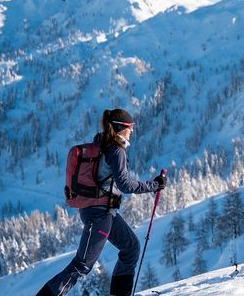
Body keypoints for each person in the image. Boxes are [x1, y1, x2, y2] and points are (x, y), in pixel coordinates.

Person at [37, 109, 167, 296]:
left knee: (131, 248)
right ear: (122, 128)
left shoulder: (102, 143)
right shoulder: (116, 150)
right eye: (130, 127)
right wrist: (154, 185)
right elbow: (126, 185)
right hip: (99, 214)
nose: (132, 131)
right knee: (81, 266)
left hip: (105, 212)